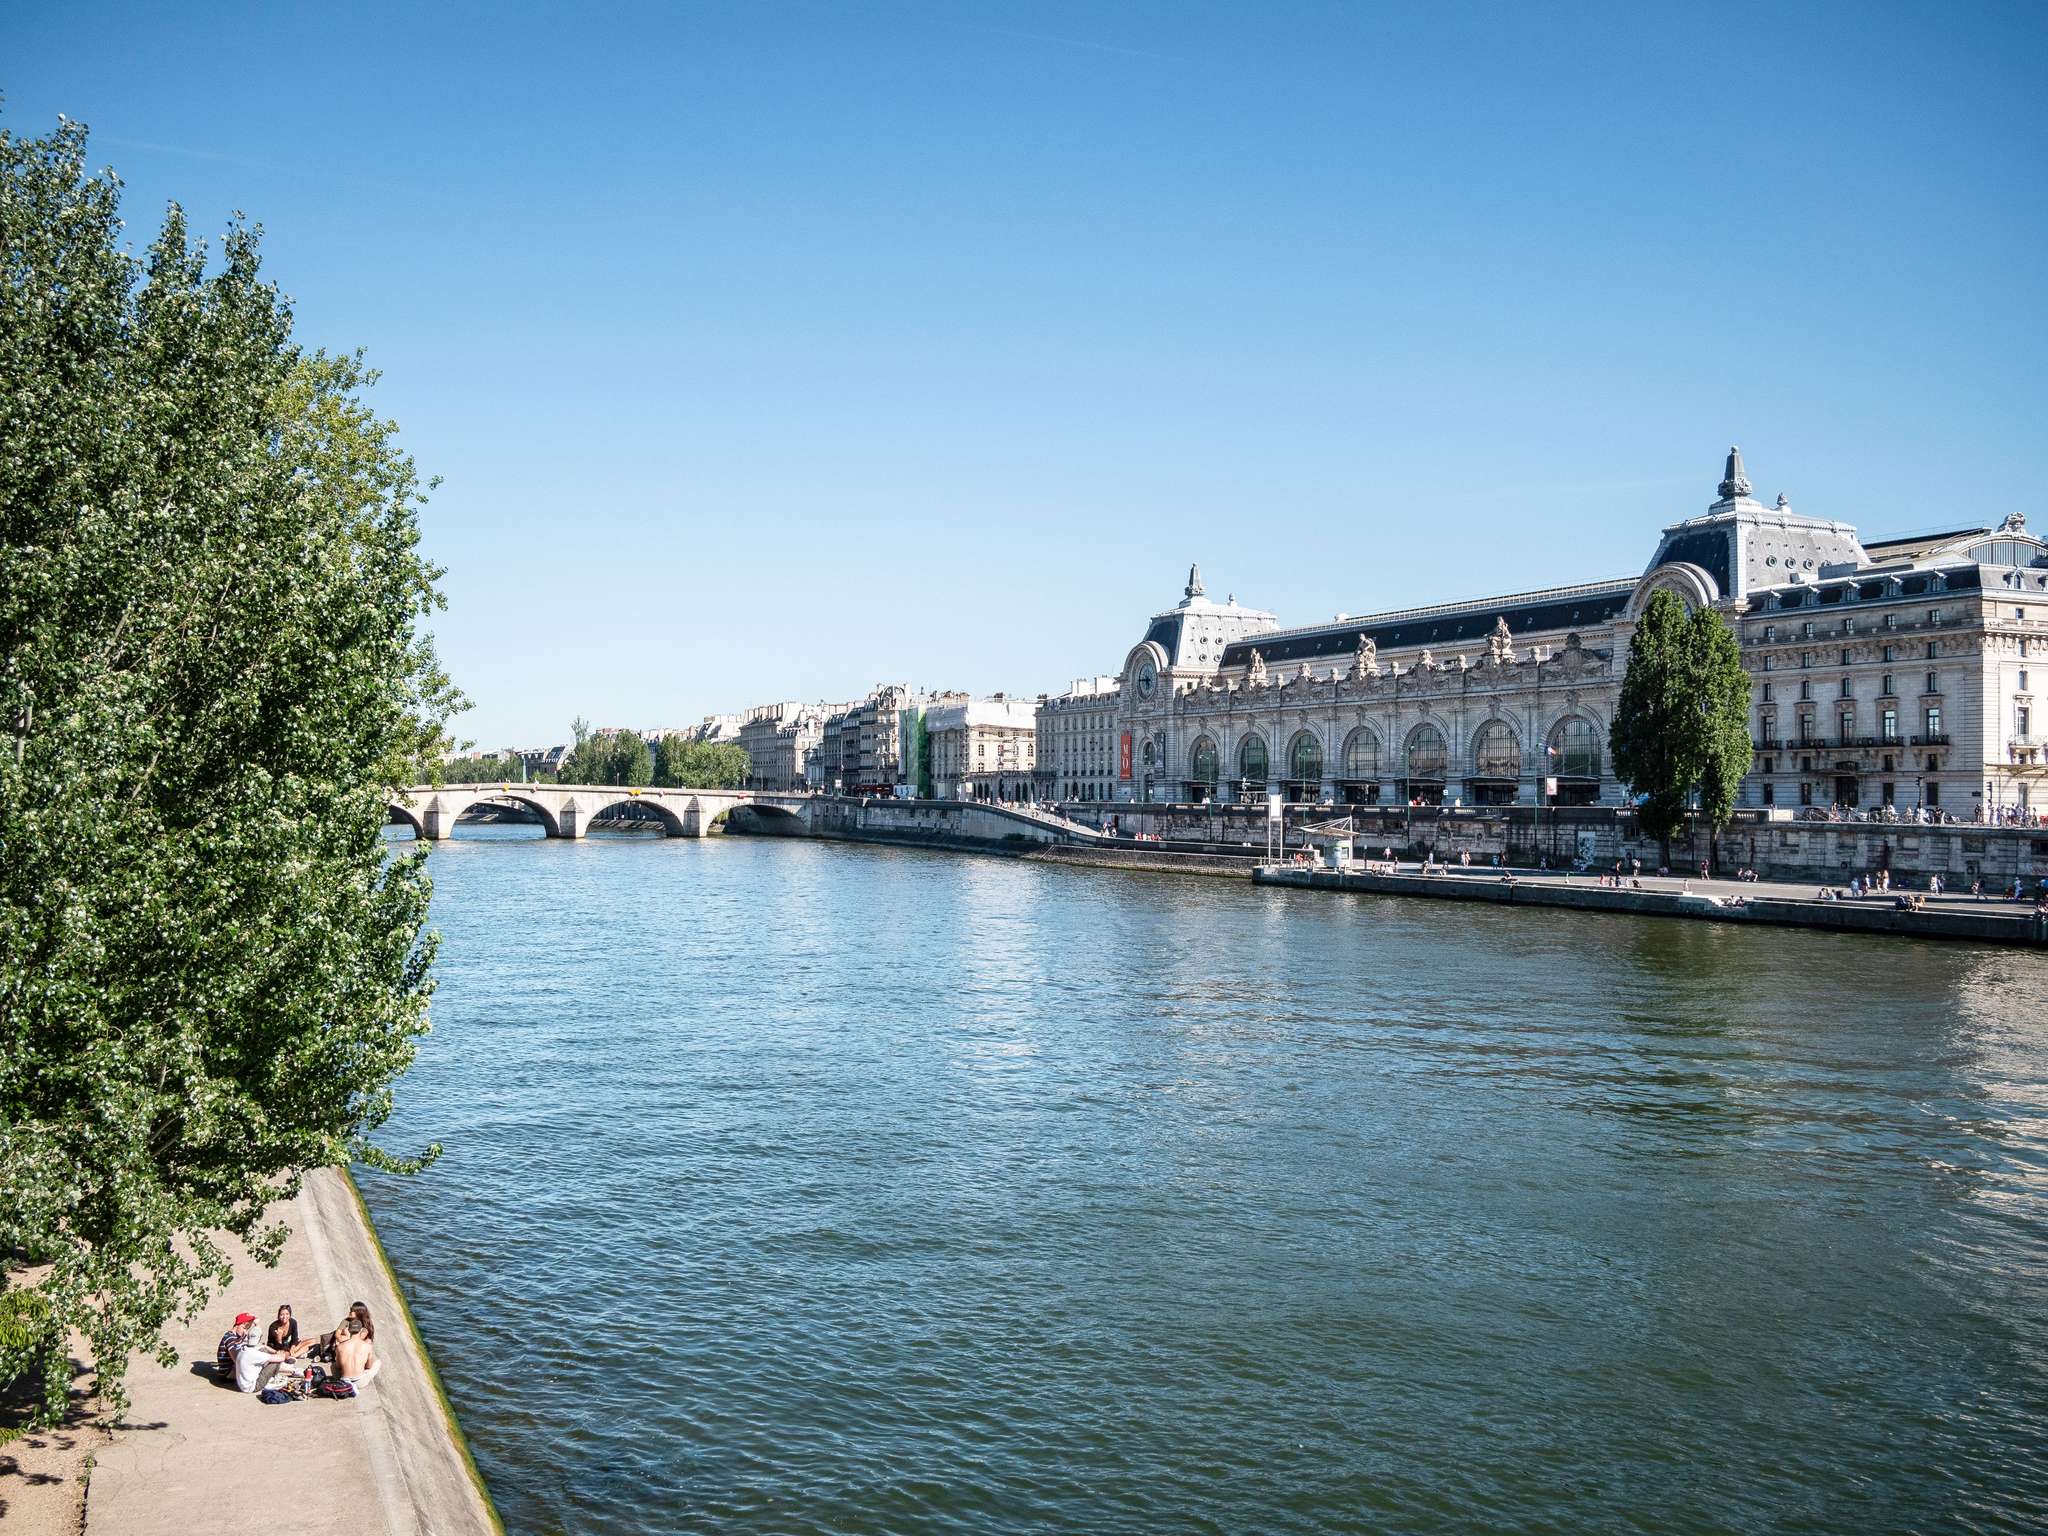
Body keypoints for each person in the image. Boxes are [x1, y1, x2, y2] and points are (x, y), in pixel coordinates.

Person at [333, 1317, 380, 1388]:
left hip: (344, 1381)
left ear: (348, 1330)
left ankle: (338, 1380)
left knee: (333, 1365)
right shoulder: (367, 1346)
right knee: (378, 1363)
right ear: (361, 1330)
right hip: (360, 1382)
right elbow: (368, 1366)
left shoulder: (340, 1346)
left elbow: (338, 1366)